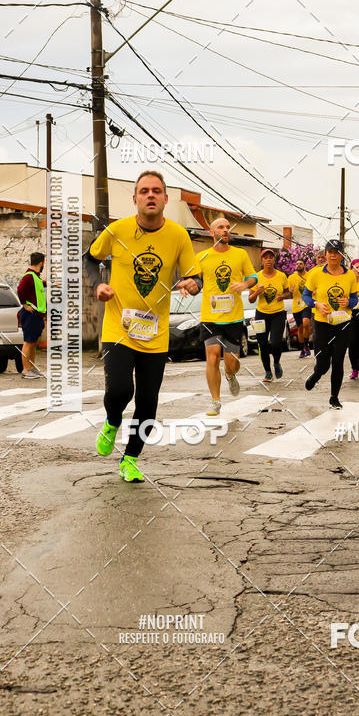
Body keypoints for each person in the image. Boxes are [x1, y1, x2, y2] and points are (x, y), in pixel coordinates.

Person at [83, 171, 201, 483]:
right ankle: (111, 421)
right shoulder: (117, 230)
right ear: (134, 198)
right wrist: (98, 285)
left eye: (157, 191)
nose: (150, 195)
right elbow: (91, 258)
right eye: (144, 191)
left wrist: (192, 282)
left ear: (165, 199)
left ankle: (131, 459)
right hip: (119, 328)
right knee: (121, 390)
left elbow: (194, 275)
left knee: (148, 402)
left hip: (156, 332)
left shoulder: (178, 235)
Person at [197, 217, 258, 415]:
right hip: (210, 318)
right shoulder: (202, 257)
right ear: (211, 232)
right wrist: (188, 286)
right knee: (212, 357)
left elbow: (253, 277)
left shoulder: (240, 254)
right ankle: (215, 401)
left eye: (227, 227)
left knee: (231, 362)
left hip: (233, 317)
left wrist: (244, 285)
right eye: (220, 227)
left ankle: (230, 375)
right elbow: (195, 280)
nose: (225, 230)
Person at [302, 240, 358, 409]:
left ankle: (334, 397)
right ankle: (316, 374)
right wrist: (316, 304)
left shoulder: (349, 275)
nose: (333, 255)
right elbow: (306, 295)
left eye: (337, 252)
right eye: (330, 251)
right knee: (324, 362)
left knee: (339, 359)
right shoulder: (316, 273)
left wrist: (349, 301)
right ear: (325, 254)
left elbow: (355, 299)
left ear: (342, 255)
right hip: (322, 323)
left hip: (343, 323)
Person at [249, 249, 289, 381]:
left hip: (278, 314)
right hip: (261, 314)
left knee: (276, 343)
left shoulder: (282, 276)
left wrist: (282, 296)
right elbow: (250, 299)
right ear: (262, 260)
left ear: (274, 260)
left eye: (271, 257)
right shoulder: (256, 277)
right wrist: (257, 292)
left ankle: (276, 362)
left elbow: (288, 293)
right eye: (265, 257)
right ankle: (267, 372)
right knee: (262, 344)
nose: (268, 260)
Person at [17, 252, 47, 378]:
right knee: (28, 342)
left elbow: (39, 285)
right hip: (30, 314)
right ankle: (25, 370)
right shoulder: (29, 276)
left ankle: (32, 368)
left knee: (33, 342)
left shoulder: (36, 277)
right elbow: (20, 290)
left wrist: (50, 284)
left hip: (37, 315)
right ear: (41, 263)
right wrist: (24, 304)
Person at [287, 258, 311, 358]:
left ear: (304, 265)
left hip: (306, 304)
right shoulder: (291, 278)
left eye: (301, 263)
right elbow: (288, 294)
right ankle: (303, 348)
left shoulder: (309, 275)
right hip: (296, 305)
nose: (298, 265)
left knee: (306, 323)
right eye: (297, 263)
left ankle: (306, 344)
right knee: (300, 328)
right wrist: (291, 291)